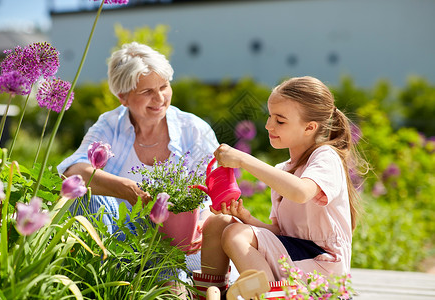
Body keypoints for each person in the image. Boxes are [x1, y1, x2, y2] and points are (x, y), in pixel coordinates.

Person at [56, 42, 219, 289]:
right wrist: (126, 189)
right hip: (120, 243)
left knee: (174, 266)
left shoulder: (193, 129)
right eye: (146, 92)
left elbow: (217, 190)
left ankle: (167, 283)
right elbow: (74, 171)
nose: (160, 98)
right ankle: (107, 279)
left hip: (181, 245)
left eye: (164, 86)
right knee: (82, 195)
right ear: (123, 97)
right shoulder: (109, 125)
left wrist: (200, 222)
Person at [193, 76, 366, 296]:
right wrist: (246, 217)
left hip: (323, 268)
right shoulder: (284, 170)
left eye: (280, 120)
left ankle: (271, 297)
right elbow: (281, 234)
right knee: (219, 223)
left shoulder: (326, 157)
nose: (268, 125)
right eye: (269, 116)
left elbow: (301, 192)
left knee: (236, 234)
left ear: (310, 127)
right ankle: (211, 292)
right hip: (296, 258)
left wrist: (244, 160)